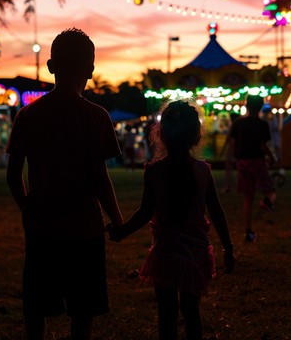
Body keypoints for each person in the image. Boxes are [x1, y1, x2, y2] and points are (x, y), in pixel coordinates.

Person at [6, 28, 123, 340]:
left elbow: (13, 174)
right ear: (90, 70)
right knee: (83, 308)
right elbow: (100, 177)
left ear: (50, 66)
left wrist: (27, 208)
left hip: (42, 225)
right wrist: (118, 220)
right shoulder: (96, 117)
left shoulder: (28, 115)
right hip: (85, 227)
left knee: (37, 304)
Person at [109, 100, 234, 340]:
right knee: (191, 311)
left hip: (166, 252)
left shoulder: (155, 171)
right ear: (196, 136)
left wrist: (122, 232)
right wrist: (228, 248)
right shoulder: (203, 171)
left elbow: (145, 212)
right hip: (195, 252)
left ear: (162, 134)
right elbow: (216, 212)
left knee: (166, 313)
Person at [228, 94, 277, 243]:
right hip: (257, 160)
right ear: (261, 107)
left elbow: (234, 143)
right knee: (270, 190)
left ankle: (248, 231)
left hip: (243, 161)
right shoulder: (262, 125)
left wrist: (233, 158)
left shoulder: (238, 123)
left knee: (248, 197)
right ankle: (266, 201)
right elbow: (263, 145)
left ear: (246, 105)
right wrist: (272, 158)